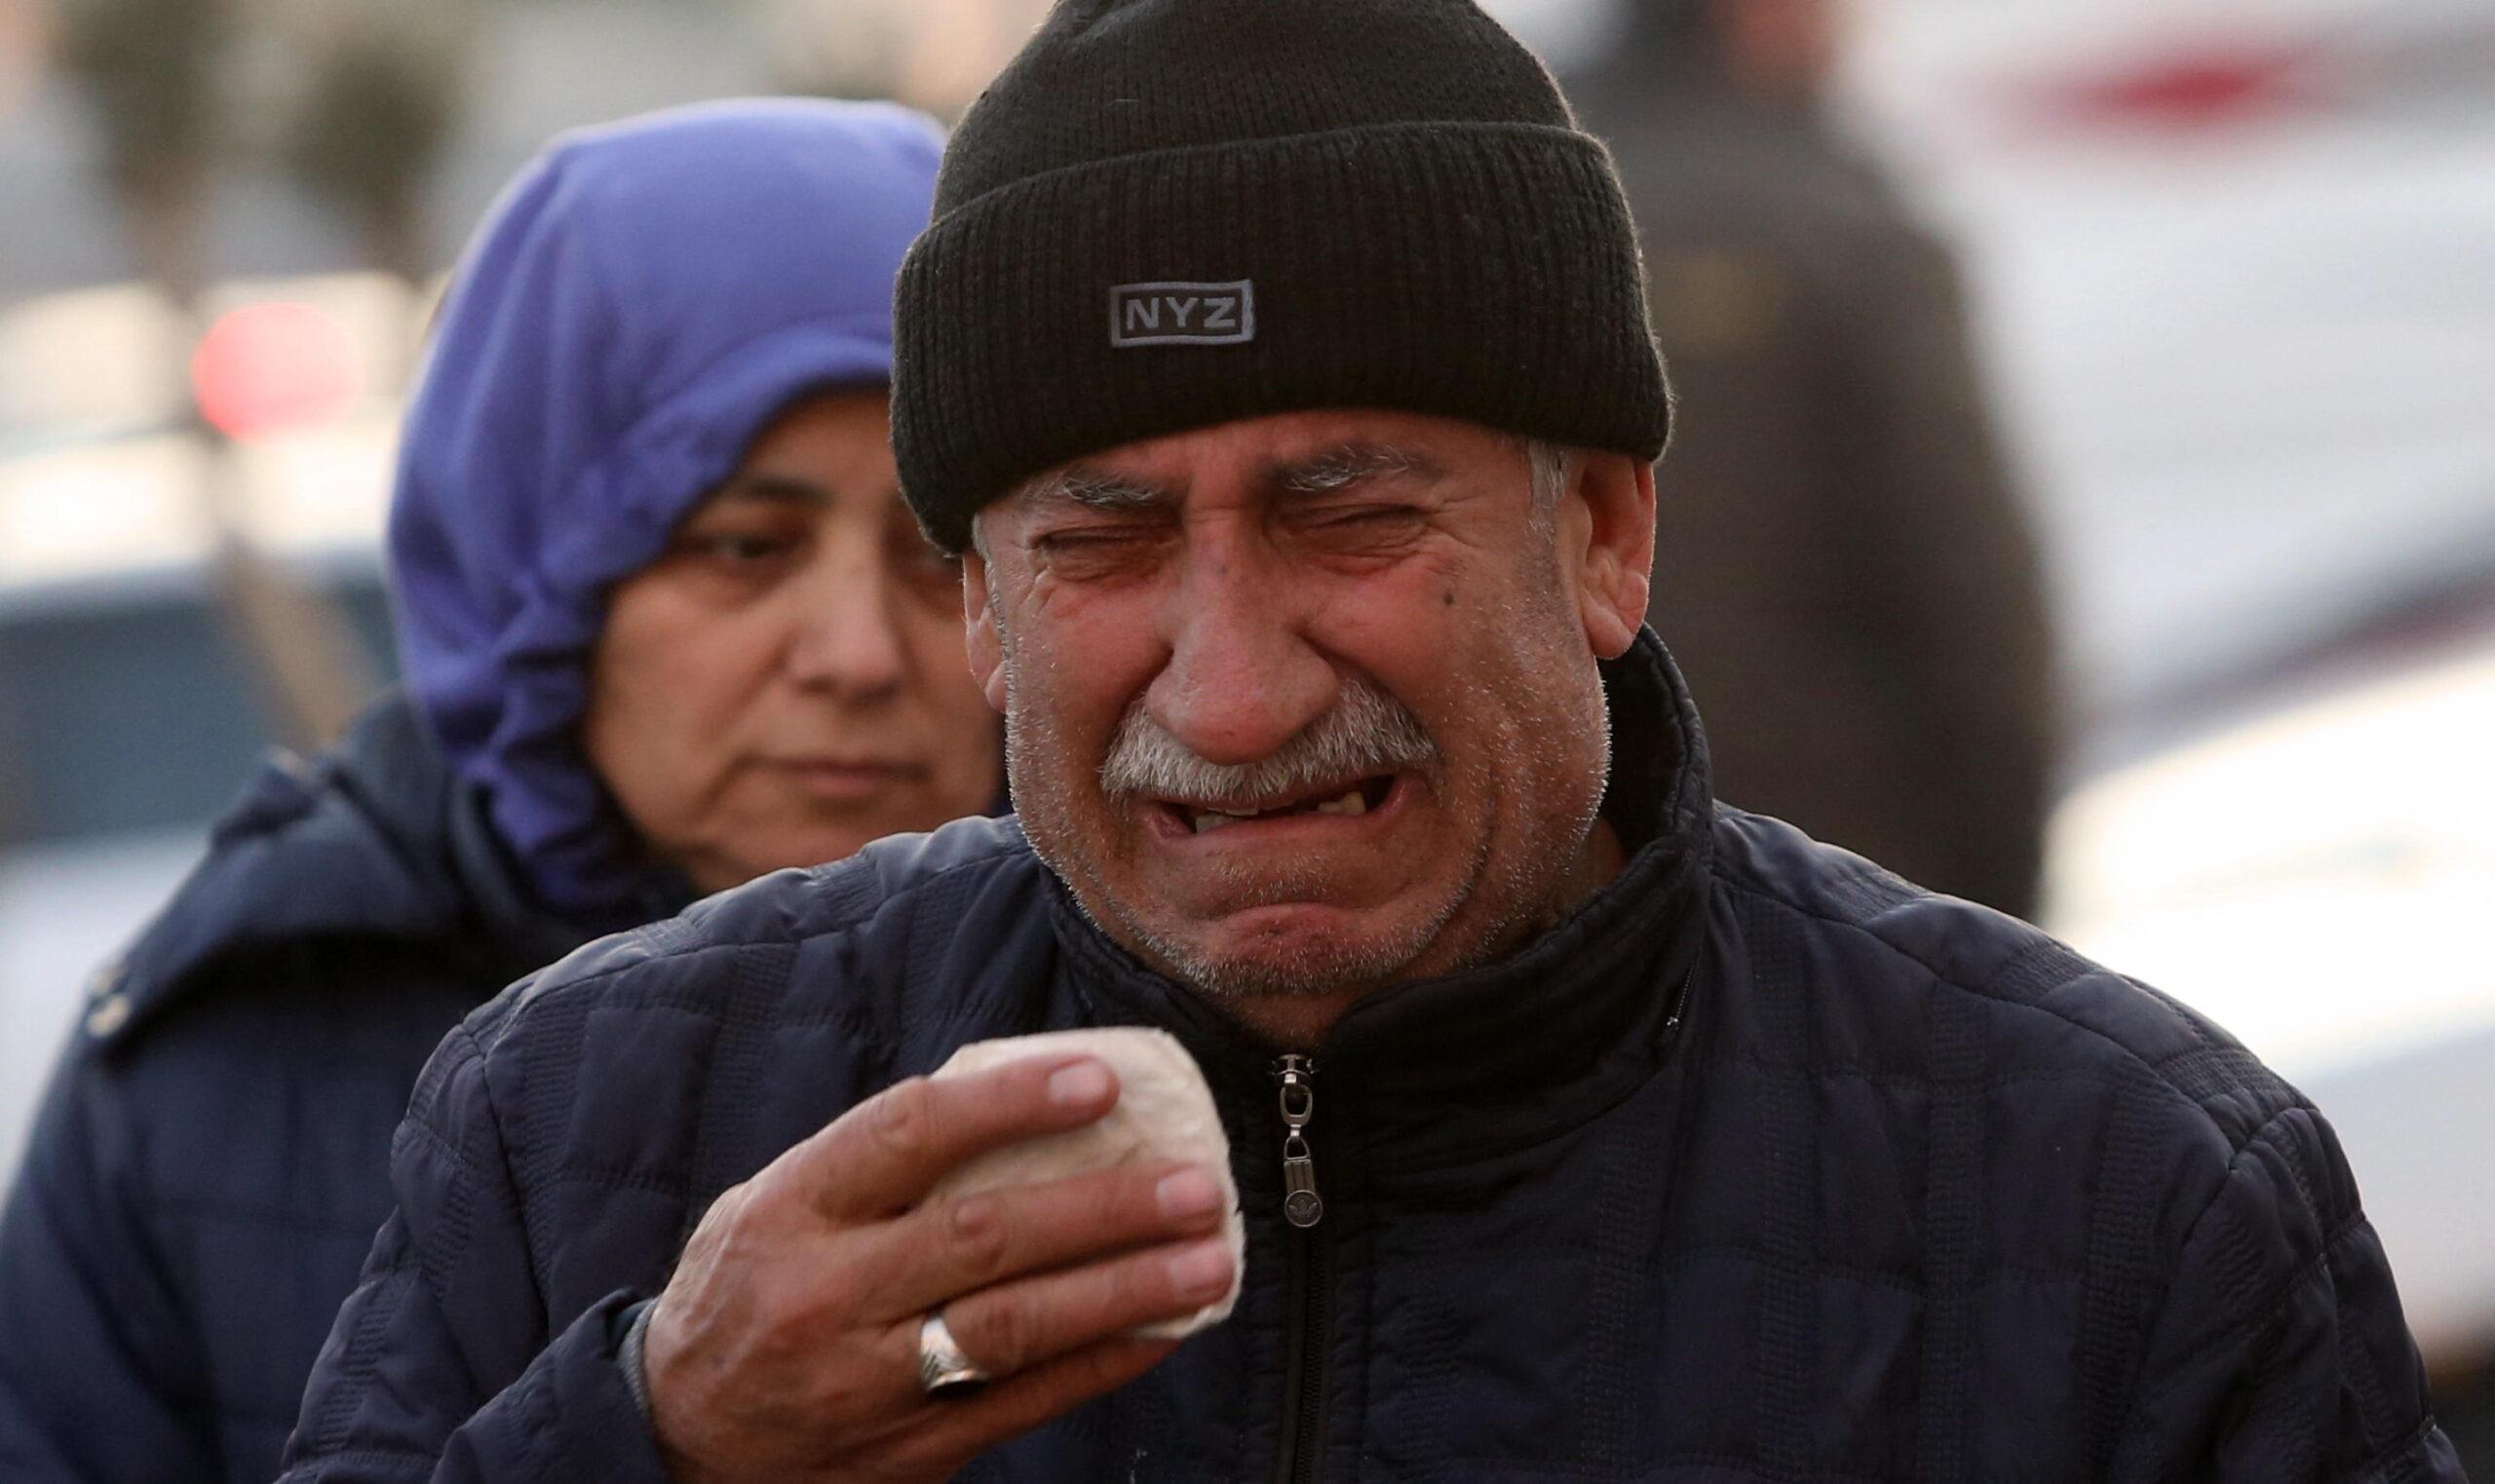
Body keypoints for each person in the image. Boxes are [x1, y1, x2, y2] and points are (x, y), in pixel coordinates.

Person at [282, 3, 2464, 1480]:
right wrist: (654, 1439)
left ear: (1601, 531)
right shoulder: (588, 1128)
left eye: (1346, 509)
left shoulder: (2117, 1197)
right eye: (1101, 537)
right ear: (976, 600)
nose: (1227, 688)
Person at [0, 98, 999, 1484]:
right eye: (744, 546)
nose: (856, 654)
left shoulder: (1209, 995)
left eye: (936, 553)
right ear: (534, 575)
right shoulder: (223, 1065)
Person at [1569, 0, 2057, 920]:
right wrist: (2007, 908)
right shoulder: (1838, 223)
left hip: (1579, 900)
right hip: (1847, 895)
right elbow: (1975, 603)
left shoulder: (1524, 181)